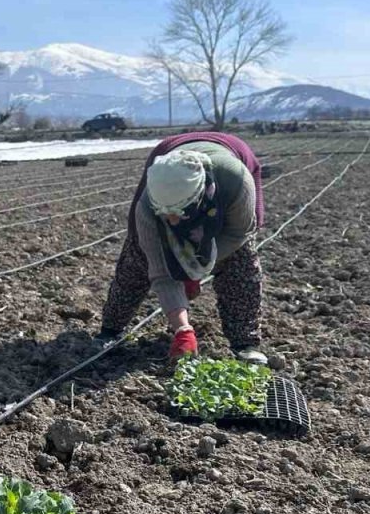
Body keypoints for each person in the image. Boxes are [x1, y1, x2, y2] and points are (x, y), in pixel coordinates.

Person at [97, 131, 268, 365]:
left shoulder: (236, 181)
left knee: (240, 261)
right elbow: (160, 272)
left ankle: (245, 342)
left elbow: (238, 233)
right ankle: (110, 329)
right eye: (165, 213)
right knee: (138, 255)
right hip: (168, 152)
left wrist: (197, 266)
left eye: (178, 212)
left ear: (198, 197)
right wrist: (182, 328)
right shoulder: (147, 207)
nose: (172, 220)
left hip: (233, 158)